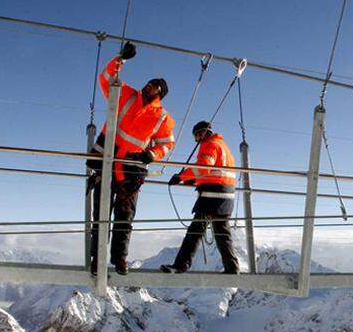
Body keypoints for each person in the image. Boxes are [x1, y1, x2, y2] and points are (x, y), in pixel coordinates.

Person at [88, 41, 175, 275]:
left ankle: (120, 259)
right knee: (101, 214)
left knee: (125, 217)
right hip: (108, 160)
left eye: (155, 86)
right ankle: (98, 259)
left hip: (131, 168)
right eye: (150, 82)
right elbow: (106, 78)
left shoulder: (162, 117)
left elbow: (167, 143)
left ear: (160, 94)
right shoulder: (125, 93)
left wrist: (151, 154)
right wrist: (121, 58)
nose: (149, 86)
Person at [161, 120, 240, 274]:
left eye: (196, 137)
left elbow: (203, 166)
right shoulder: (224, 147)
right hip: (226, 196)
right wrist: (194, 180)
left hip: (212, 196)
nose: (197, 141)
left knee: (195, 232)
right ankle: (232, 267)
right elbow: (214, 172)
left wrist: (181, 177)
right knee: (222, 233)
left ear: (201, 133)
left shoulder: (209, 145)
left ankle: (180, 265)